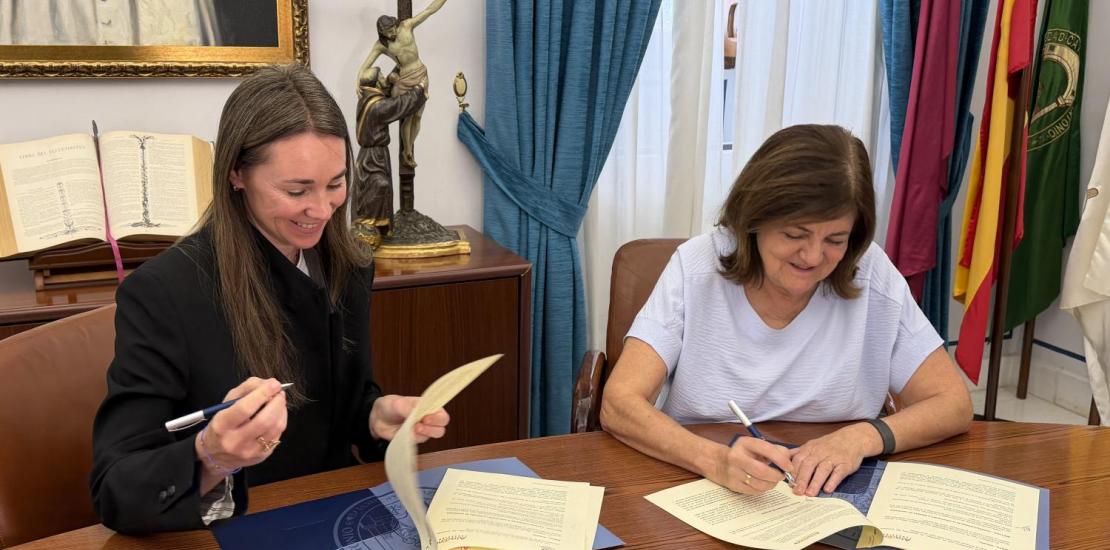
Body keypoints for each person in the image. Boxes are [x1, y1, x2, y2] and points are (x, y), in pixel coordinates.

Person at [89, 64, 449, 534]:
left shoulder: (349, 265)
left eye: (336, 183)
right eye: (296, 190)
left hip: (336, 516)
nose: (321, 211)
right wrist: (210, 456)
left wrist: (375, 417)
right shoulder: (163, 293)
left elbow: (344, 405)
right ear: (237, 173)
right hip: (232, 531)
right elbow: (116, 490)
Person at [600, 124, 973, 499]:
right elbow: (619, 403)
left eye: (835, 240)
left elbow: (953, 404)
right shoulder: (696, 267)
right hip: (701, 481)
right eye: (795, 235)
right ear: (754, 219)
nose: (812, 257)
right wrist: (714, 460)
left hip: (835, 490)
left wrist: (862, 436)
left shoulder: (871, 272)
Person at [356, 0, 448, 168]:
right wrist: (358, 80)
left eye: (392, 28)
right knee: (407, 117)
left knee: (418, 116)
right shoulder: (381, 45)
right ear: (381, 33)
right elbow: (366, 65)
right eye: (387, 32)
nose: (391, 33)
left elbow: (429, 10)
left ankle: (410, 144)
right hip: (403, 80)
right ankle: (407, 151)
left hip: (420, 73)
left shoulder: (406, 27)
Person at [352, 66, 427, 237]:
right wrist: (419, 90)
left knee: (375, 190)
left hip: (368, 156)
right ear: (376, 82)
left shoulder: (365, 99)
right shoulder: (377, 107)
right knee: (378, 188)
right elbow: (399, 105)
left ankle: (377, 229)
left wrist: (399, 67)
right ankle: (373, 229)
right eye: (382, 76)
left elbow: (384, 93)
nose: (385, 78)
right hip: (374, 159)